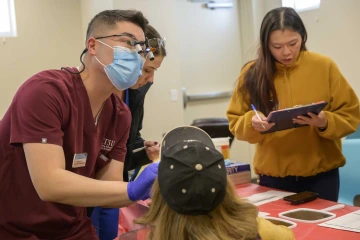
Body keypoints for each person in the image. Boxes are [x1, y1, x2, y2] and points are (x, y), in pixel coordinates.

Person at [0, 10, 159, 239]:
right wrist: (132, 189)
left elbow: (109, 188)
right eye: (128, 43)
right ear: (93, 46)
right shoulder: (45, 92)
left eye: (141, 48)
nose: (137, 54)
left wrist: (157, 186)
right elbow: (49, 184)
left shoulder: (120, 115)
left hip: (71, 228)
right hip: (14, 228)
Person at [227, 7, 360, 201]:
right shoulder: (252, 73)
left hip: (322, 177)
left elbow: (351, 114)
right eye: (277, 46)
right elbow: (235, 122)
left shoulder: (324, 66)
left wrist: (325, 121)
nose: (287, 52)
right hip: (273, 177)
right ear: (266, 45)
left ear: (303, 37)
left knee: (322, 231)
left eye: (293, 43)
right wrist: (251, 123)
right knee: (279, 230)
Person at [126, 126, 295, 240]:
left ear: (159, 193)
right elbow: (288, 235)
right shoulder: (256, 230)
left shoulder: (148, 235)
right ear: (226, 186)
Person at [89, 25, 166, 240]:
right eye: (147, 70)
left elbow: (123, 144)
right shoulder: (86, 95)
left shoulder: (134, 96)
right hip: (85, 187)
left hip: (111, 184)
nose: (150, 79)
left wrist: (144, 153)